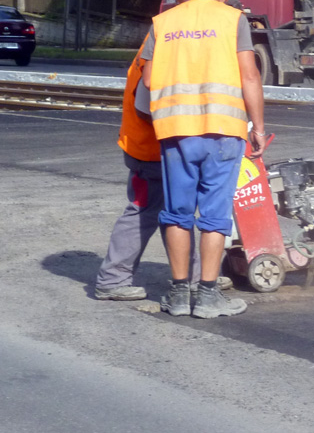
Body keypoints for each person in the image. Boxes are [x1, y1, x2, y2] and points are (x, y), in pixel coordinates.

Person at [141, 0, 265, 319]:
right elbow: (250, 77)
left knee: (177, 213)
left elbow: (149, 80)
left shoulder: (163, 22)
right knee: (214, 215)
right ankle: (208, 295)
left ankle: (179, 295)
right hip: (223, 132)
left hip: (176, 132)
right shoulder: (232, 20)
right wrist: (257, 127)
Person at [94, 43, 232, 301]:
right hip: (151, 149)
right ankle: (112, 280)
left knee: (176, 211)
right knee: (145, 209)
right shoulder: (161, 46)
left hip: (158, 148)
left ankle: (194, 277)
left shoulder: (162, 41)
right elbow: (144, 108)